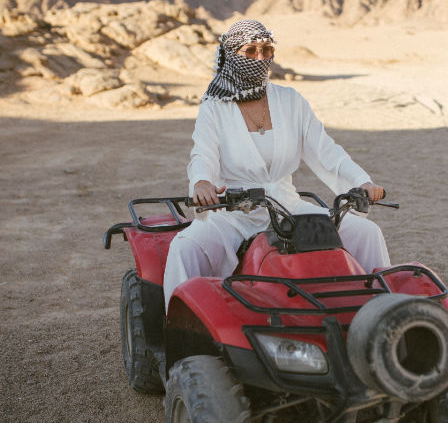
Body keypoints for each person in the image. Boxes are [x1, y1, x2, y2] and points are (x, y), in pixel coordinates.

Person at [162, 19, 391, 310]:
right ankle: (180, 328)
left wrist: (362, 183)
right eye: (250, 50)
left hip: (288, 208)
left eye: (267, 50)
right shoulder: (214, 107)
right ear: (231, 55)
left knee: (366, 233)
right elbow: (202, 154)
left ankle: (380, 314)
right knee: (185, 248)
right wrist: (202, 182)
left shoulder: (290, 100)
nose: (260, 58)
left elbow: (326, 151)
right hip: (234, 214)